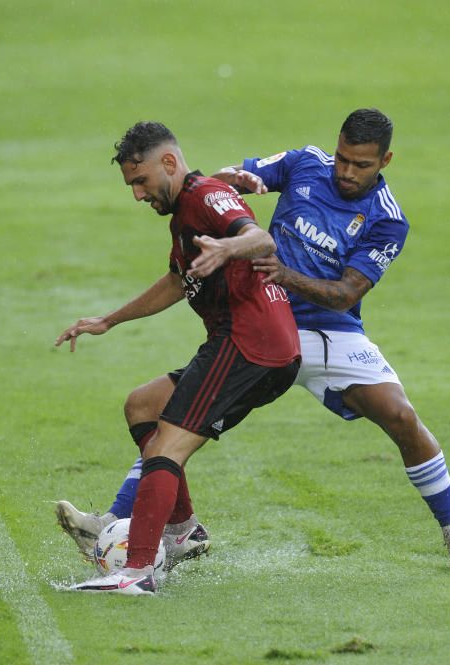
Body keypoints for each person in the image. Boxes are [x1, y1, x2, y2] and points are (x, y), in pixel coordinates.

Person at [57, 109, 450, 575]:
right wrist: (231, 180)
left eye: (360, 165)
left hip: (327, 332)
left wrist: (283, 272)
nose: (345, 171)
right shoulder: (304, 163)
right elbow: (218, 189)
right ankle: (121, 523)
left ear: (385, 161)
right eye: (342, 158)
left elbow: (345, 295)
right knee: (162, 412)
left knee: (401, 417)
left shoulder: (387, 221)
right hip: (261, 320)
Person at [54, 121, 301, 595]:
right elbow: (174, 282)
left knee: (168, 445)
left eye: (140, 181)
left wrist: (227, 246)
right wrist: (109, 319)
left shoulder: (206, 196)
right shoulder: (183, 215)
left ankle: (137, 571)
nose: (137, 194)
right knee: (143, 406)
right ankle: (183, 531)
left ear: (168, 163)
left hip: (250, 345)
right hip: (244, 344)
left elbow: (261, 239)